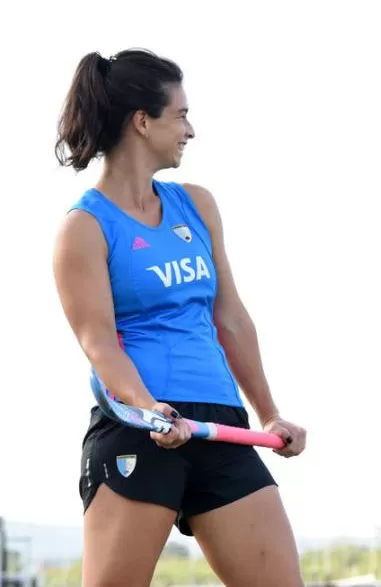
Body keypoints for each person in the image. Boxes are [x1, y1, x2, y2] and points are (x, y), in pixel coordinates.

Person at [52, 48, 308, 587]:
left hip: (220, 427)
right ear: (142, 122)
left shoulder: (198, 204)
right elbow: (99, 343)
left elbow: (230, 317)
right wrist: (150, 411)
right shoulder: (84, 228)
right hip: (140, 430)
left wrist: (269, 414)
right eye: (181, 115)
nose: (190, 129)